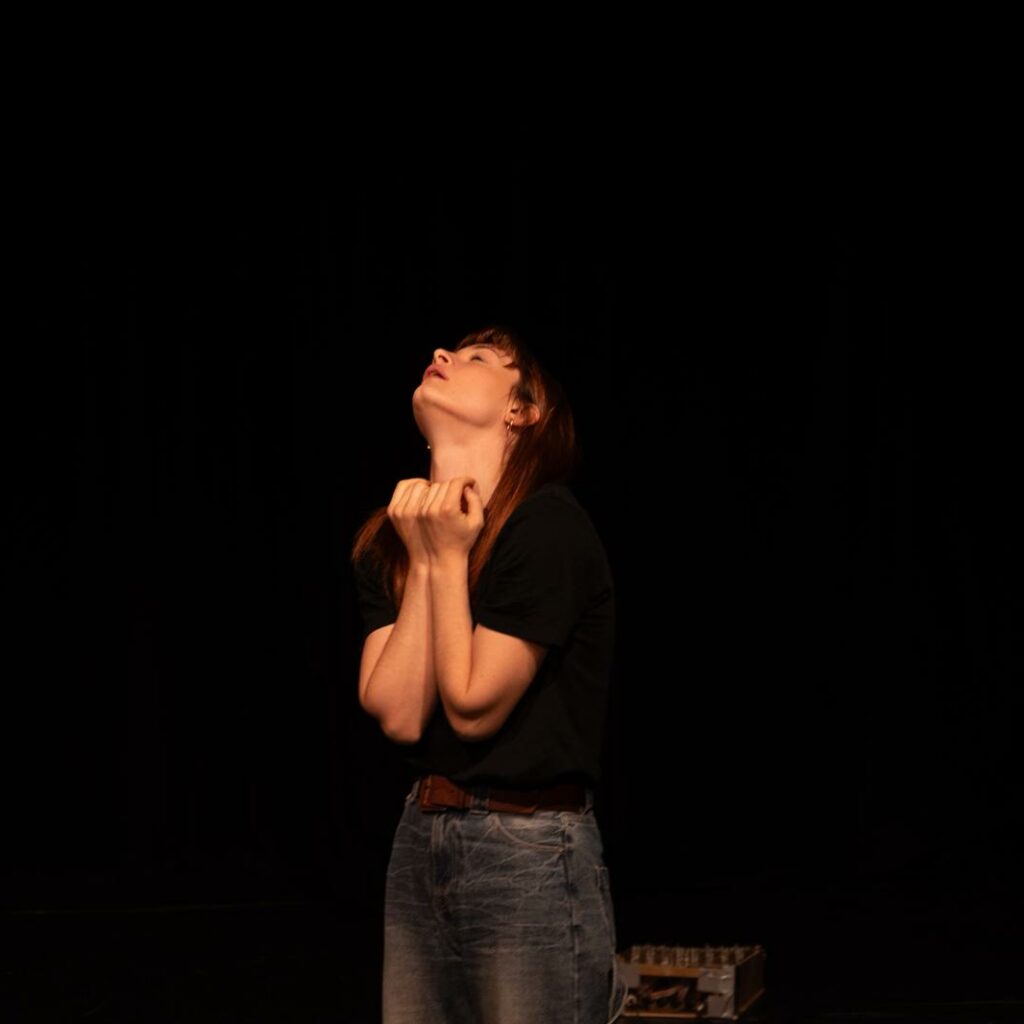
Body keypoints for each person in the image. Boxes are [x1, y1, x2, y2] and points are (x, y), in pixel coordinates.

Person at [351, 325, 627, 1024]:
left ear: (521, 410)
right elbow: (397, 712)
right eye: (447, 350)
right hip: (422, 833)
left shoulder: (546, 526)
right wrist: (426, 550)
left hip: (526, 847)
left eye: (477, 357)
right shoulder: (392, 538)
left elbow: (472, 705)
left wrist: (447, 557)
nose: (440, 356)